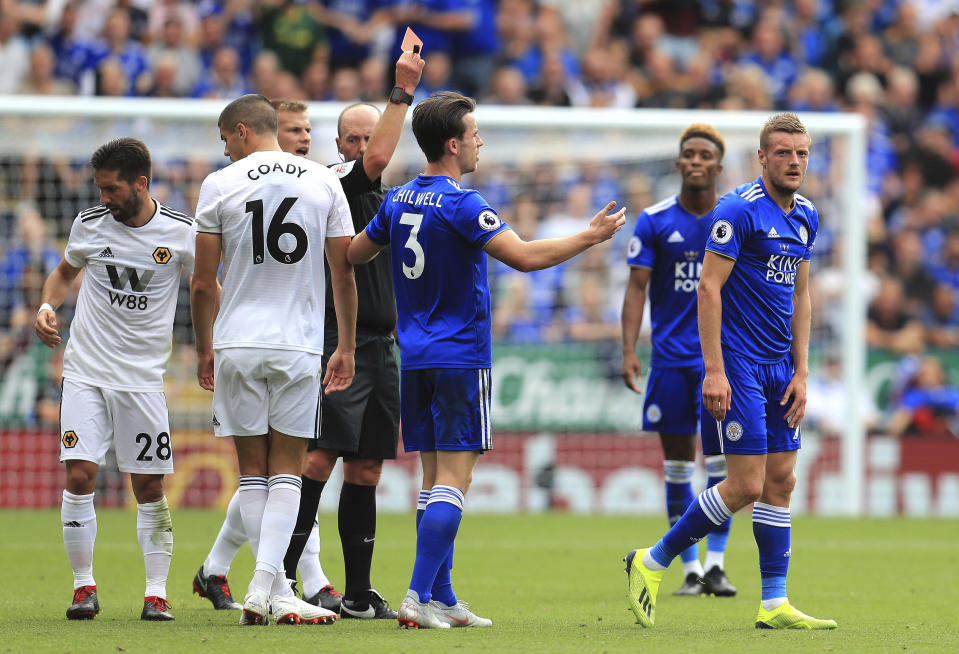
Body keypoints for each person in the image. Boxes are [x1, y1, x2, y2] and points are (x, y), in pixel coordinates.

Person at [348, 91, 627, 629]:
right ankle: (415, 597)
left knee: (432, 483)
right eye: (475, 134)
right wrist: (590, 237)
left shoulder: (399, 198)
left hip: (416, 357)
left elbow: (356, 252)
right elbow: (523, 257)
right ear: (453, 145)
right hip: (460, 357)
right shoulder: (464, 203)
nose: (480, 143)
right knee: (456, 481)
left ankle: (443, 597)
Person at [624, 113, 838, 630]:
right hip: (738, 367)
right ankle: (651, 561)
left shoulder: (806, 214)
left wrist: (802, 370)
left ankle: (774, 602)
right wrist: (715, 371)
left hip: (780, 367)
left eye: (802, 153)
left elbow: (801, 295)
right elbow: (708, 289)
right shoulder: (738, 210)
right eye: (783, 152)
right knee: (743, 485)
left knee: (781, 482)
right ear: (762, 157)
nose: (794, 162)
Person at [191, 94, 357, 626]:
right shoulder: (323, 180)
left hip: (238, 340)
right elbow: (343, 271)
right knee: (288, 470)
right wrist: (347, 345)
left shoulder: (221, 183)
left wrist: (204, 347)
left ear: (241, 132)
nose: (224, 149)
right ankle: (270, 589)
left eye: (224, 139)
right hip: (299, 343)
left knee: (252, 475)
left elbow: (201, 283)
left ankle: (270, 589)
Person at [279, 49, 425, 621]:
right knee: (317, 463)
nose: (366, 148)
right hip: (339, 341)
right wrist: (402, 92)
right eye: (354, 138)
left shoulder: (386, 199)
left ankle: (359, 592)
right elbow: (384, 154)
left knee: (366, 470)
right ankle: (281, 578)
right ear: (339, 146)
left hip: (384, 348)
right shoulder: (337, 183)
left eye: (370, 139)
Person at [34, 137, 193, 622]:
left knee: (148, 486)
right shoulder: (89, 223)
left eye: (111, 189)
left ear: (141, 183)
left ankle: (156, 593)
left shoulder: (182, 233)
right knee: (79, 474)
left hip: (142, 380)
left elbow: (208, 287)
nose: (103, 198)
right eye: (100, 189)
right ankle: (84, 587)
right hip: (85, 371)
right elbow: (64, 272)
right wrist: (46, 305)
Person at [621, 123, 736, 598]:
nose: (695, 161)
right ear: (677, 164)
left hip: (722, 364)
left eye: (704, 155)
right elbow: (636, 288)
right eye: (688, 154)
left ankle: (717, 566)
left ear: (718, 166)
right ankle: (689, 569)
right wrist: (628, 348)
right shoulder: (654, 220)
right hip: (670, 362)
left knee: (724, 468)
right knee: (677, 468)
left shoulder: (733, 220)